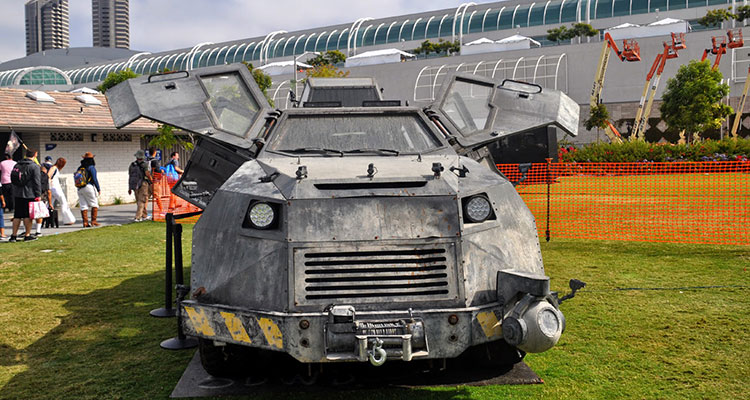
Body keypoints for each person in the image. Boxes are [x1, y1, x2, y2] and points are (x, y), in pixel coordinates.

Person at [9, 148, 41, 242]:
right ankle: (27, 235)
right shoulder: (34, 167)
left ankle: (13, 236)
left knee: (17, 215)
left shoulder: (17, 164)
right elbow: (36, 182)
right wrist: (38, 194)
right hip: (29, 193)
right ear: (35, 155)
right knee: (27, 215)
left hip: (17, 193)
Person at [75, 152, 100, 227]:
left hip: (80, 188)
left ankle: (85, 222)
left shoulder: (80, 168)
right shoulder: (91, 167)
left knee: (83, 205)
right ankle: (93, 221)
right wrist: (98, 188)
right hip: (89, 187)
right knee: (94, 204)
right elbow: (94, 179)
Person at [47, 157, 75, 225]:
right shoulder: (54, 168)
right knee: (63, 202)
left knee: (50, 204)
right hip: (55, 188)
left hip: (53, 188)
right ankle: (68, 219)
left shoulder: (54, 168)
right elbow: (48, 176)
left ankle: (45, 219)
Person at [128, 150, 152, 222]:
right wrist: (152, 181)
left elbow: (130, 176)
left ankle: (144, 215)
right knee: (142, 200)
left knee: (139, 200)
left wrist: (129, 187)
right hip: (143, 184)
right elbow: (147, 174)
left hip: (134, 184)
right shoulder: (144, 164)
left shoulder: (132, 165)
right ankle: (137, 217)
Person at [33, 164, 52, 237]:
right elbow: (48, 191)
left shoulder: (33, 175)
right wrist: (50, 203)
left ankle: (25, 230)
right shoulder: (45, 176)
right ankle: (38, 231)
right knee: (39, 213)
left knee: (29, 213)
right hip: (42, 196)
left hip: (32, 195)